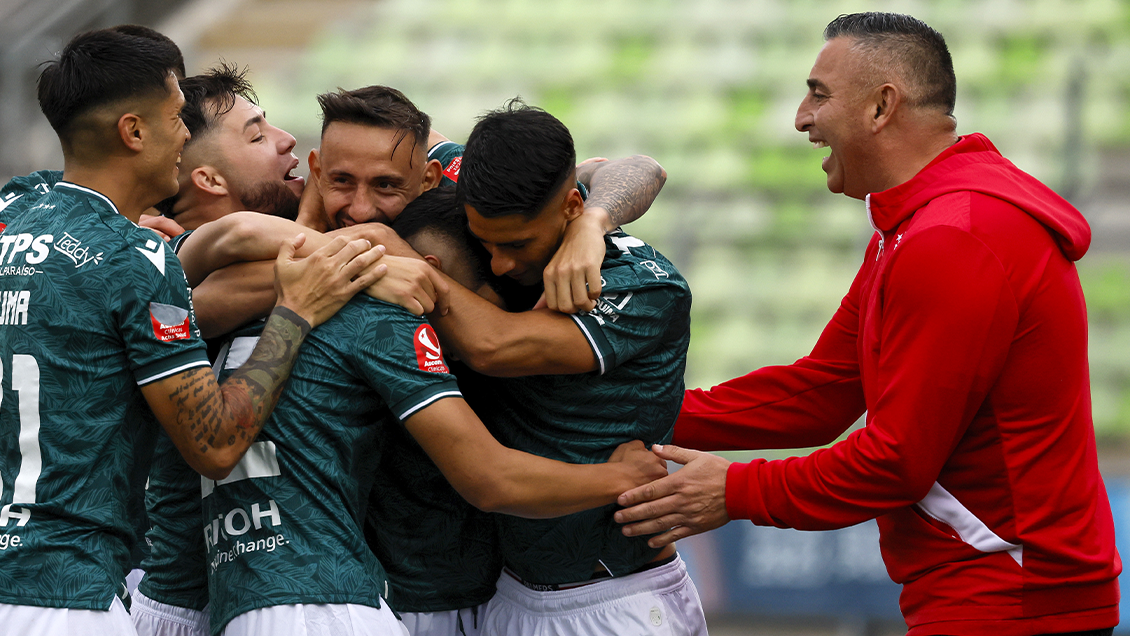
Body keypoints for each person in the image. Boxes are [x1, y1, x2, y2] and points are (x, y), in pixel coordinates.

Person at [614, 12, 1121, 636]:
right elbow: (823, 390)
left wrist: (739, 490)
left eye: (818, 95)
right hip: (987, 592)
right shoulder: (916, 225)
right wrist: (623, 410)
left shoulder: (955, 239)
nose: (802, 117)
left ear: (882, 106)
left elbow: (896, 461)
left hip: (1009, 600)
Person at [0, 26, 384, 636]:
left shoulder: (14, 209)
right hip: (65, 595)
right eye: (179, 117)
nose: (186, 135)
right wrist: (295, 312)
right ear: (134, 132)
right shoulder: (135, 260)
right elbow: (216, 443)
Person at [199, 188, 668, 636]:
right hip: (351, 602)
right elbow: (490, 478)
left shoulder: (456, 186)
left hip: (281, 593)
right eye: (494, 286)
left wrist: (592, 221)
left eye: (382, 184)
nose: (361, 205)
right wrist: (624, 478)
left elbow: (631, 167)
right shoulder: (388, 321)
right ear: (431, 272)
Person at [420, 101, 704, 635]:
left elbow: (493, 347)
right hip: (508, 593)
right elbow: (396, 131)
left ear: (570, 204)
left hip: (613, 600)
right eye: (483, 243)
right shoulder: (492, 183)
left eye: (516, 244)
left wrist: (406, 261)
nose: (500, 263)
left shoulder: (643, 288)